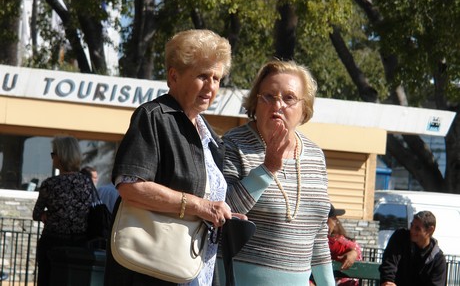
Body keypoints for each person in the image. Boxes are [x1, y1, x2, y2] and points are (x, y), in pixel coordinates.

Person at [104, 29, 245, 286]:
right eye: (203, 76)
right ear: (174, 76)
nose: (211, 86)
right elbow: (130, 186)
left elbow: (205, 202)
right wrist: (199, 206)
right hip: (151, 272)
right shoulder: (154, 116)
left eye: (217, 78)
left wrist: (223, 216)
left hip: (196, 269)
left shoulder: (210, 138)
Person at [221, 60, 335, 285]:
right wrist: (267, 168)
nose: (278, 104)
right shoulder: (233, 144)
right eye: (269, 96)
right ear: (256, 101)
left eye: (289, 97)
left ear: (305, 108)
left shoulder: (315, 154)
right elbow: (223, 210)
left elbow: (318, 234)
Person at [32, 135, 93, 286]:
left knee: (47, 280)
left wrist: (45, 214)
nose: (52, 158)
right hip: (79, 243)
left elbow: (36, 213)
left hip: (53, 243)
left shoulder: (50, 184)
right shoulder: (86, 182)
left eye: (54, 154)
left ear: (61, 156)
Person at [379, 210, 447, 286]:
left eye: (417, 228)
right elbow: (389, 263)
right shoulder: (400, 237)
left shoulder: (438, 260)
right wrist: (388, 281)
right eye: (411, 226)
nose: (412, 230)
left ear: (430, 230)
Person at [311, 205, 362, 286]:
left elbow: (356, 249)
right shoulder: (330, 240)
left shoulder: (334, 241)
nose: (335, 222)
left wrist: (354, 253)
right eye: (334, 218)